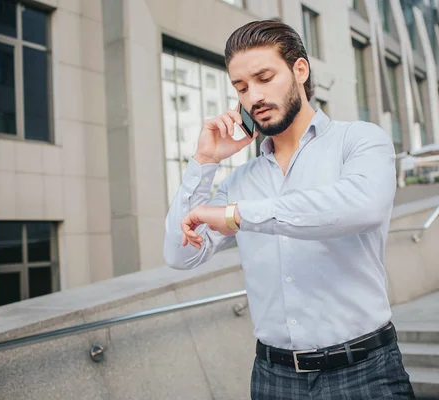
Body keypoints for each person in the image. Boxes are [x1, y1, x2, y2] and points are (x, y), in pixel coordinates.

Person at [164, 20, 415, 400]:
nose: (253, 97)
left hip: (366, 372)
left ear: (300, 70)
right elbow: (180, 255)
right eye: (241, 87)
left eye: (264, 78)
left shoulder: (359, 140)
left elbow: (361, 206)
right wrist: (204, 161)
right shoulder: (240, 181)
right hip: (274, 378)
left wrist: (236, 216)